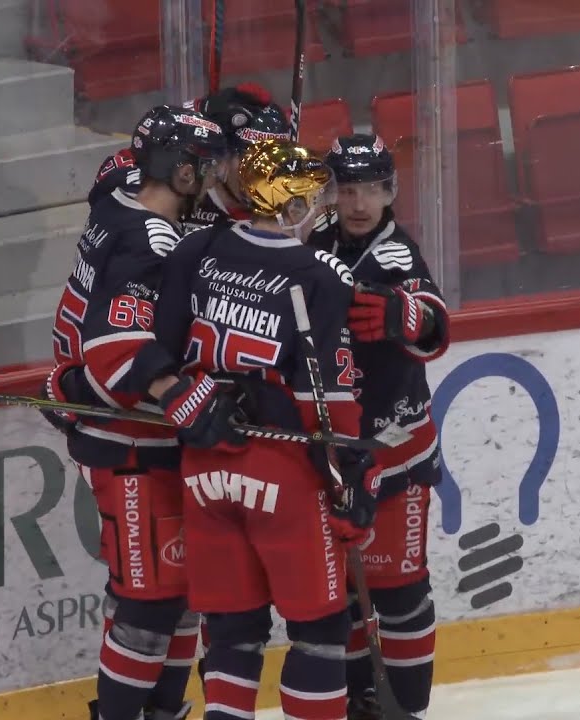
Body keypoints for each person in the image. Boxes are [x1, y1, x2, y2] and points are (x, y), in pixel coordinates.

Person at [124, 139, 383, 720]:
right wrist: (351, 483)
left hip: (205, 468)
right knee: (320, 629)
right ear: (293, 203)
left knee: (232, 630)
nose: (322, 208)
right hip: (283, 472)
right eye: (313, 198)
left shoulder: (197, 248)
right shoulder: (320, 275)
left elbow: (156, 351)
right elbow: (329, 400)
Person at [42, 104, 229, 720]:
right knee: (149, 602)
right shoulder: (152, 239)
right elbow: (118, 347)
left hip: (130, 432)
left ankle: (164, 713)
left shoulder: (117, 199)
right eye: (204, 167)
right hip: (128, 440)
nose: (213, 178)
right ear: (180, 172)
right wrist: (177, 392)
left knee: (182, 593)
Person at [309, 134, 451, 720]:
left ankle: (407, 709)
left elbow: (435, 325)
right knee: (342, 594)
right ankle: (360, 702)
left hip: (395, 450)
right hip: (334, 454)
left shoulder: (397, 257)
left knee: (400, 591)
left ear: (390, 191)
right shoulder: (316, 241)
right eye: (347, 189)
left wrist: (407, 316)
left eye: (370, 189)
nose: (360, 202)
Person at [90, 83, 290, 233]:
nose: (266, 173)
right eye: (253, 160)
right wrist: (200, 110)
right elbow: (112, 175)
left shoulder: (287, 207)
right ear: (222, 156)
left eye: (277, 160)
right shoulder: (183, 178)